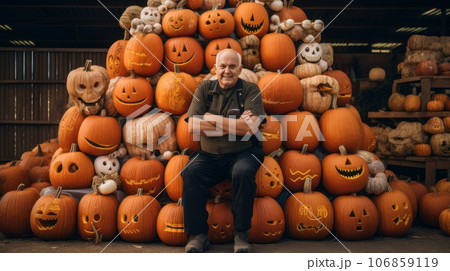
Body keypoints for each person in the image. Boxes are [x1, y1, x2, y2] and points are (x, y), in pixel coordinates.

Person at [181, 49, 266, 253]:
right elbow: (192, 126)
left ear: (240, 69)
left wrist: (211, 118)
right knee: (190, 172)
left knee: (243, 172)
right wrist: (236, 124)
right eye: (222, 66)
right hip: (209, 156)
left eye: (232, 66)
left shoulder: (250, 90)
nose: (227, 71)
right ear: (215, 68)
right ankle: (198, 235)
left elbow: (249, 128)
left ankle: (241, 234)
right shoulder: (204, 89)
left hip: (242, 153)